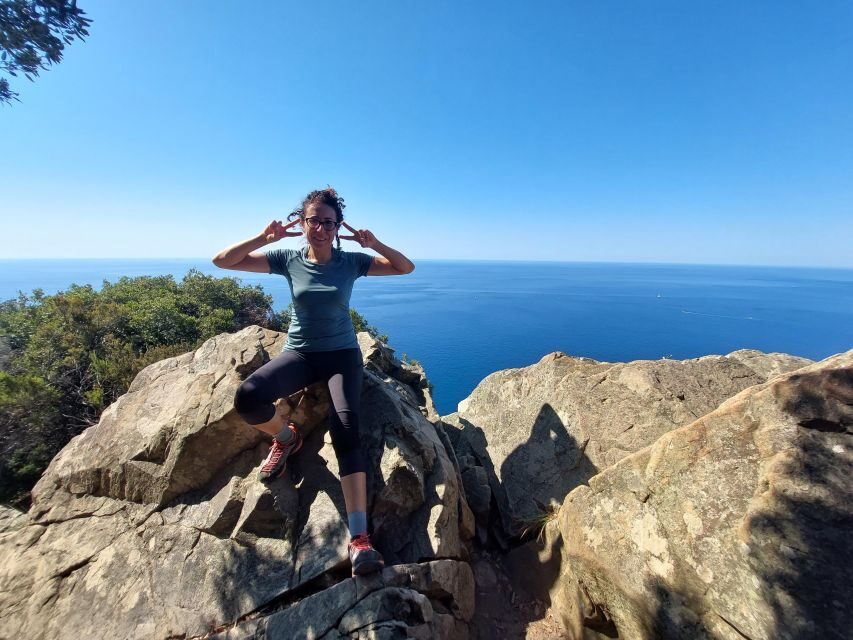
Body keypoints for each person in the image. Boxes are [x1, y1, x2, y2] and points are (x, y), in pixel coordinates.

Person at [211, 187, 415, 576]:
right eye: (313, 221)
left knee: (346, 430)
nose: (320, 228)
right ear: (301, 224)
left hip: (341, 356)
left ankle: (359, 539)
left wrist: (374, 243)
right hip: (301, 354)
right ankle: (286, 439)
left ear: (338, 227)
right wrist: (262, 237)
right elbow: (223, 261)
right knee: (248, 397)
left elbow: (405, 268)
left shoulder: (351, 262)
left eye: (328, 222)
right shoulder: (286, 258)